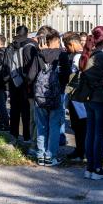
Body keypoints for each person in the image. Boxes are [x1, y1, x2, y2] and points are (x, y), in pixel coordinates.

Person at [28, 29, 70, 166]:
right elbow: (66, 75)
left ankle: (40, 155)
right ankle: (50, 156)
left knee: (41, 125)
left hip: (39, 96)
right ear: (57, 41)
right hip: (57, 95)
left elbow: (31, 76)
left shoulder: (39, 55)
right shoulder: (62, 56)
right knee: (54, 126)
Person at [79, 26, 103, 179]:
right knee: (100, 134)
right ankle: (97, 169)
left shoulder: (89, 54)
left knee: (91, 133)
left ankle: (90, 168)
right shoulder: (102, 57)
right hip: (101, 98)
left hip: (89, 98)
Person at [5, 26, 37, 144]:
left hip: (14, 81)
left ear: (16, 33)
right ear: (27, 34)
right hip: (27, 82)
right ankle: (27, 136)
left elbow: (6, 64)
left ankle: (13, 135)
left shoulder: (10, 46)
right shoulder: (30, 45)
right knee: (26, 110)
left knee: (14, 109)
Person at [63, 32, 87, 161]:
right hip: (82, 96)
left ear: (72, 44)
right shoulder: (87, 53)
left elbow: (72, 76)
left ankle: (81, 151)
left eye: (67, 47)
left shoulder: (78, 57)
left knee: (79, 125)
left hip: (77, 96)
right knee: (80, 125)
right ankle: (81, 150)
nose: (67, 50)